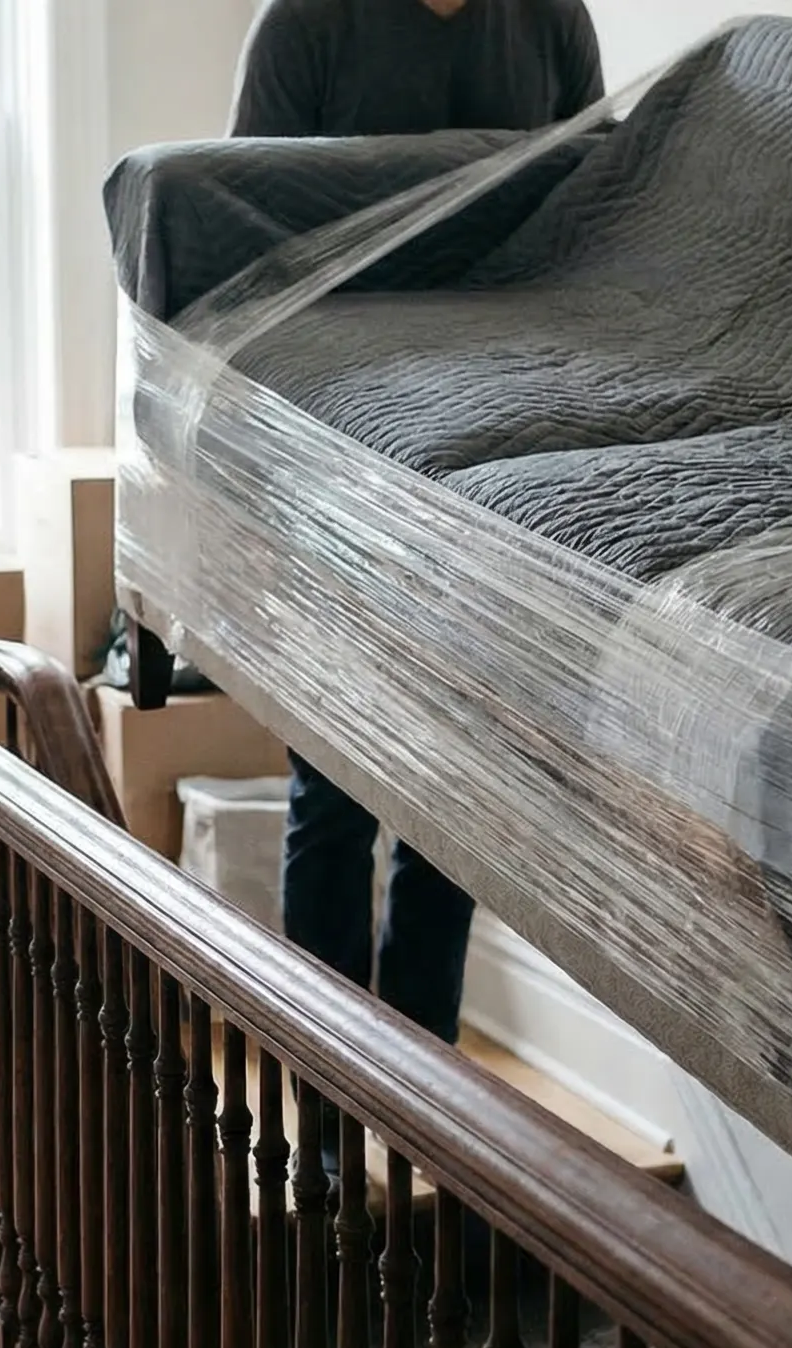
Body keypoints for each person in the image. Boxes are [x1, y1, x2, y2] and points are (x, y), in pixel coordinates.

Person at [227, 0, 604, 1056]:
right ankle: (330, 1110)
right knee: (334, 793)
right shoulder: (308, 23)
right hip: (336, 450)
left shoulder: (547, 19)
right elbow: (242, 237)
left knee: (455, 808)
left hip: (496, 454)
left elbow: (598, 215)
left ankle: (424, 1097)